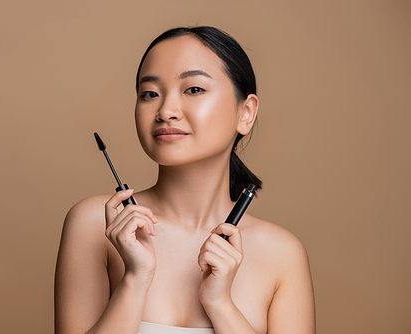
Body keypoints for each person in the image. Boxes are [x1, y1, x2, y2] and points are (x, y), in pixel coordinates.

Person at [54, 26, 315, 334]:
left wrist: (221, 305)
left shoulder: (282, 254)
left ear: (245, 113)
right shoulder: (97, 224)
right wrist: (135, 279)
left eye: (193, 90)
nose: (165, 111)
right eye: (149, 94)